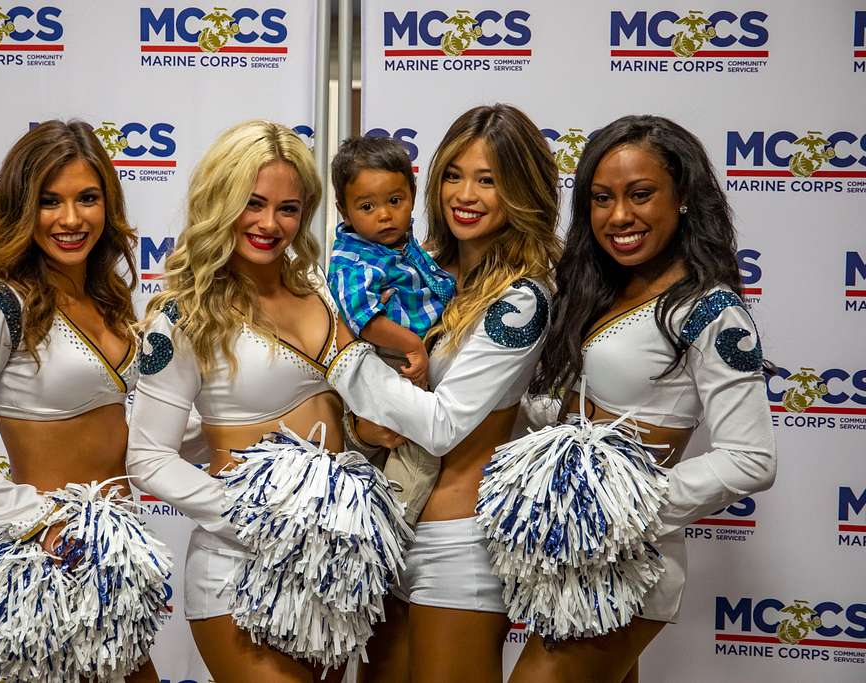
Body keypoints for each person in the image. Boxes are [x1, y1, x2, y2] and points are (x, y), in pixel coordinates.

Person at [126, 120, 406, 682]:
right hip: (240, 564)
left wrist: (363, 433)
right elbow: (147, 457)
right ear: (220, 201)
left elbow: (332, 410)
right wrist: (266, 522)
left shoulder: (323, 290)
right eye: (252, 203)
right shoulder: (182, 316)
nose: (269, 224)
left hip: (331, 567)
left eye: (288, 208)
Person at [515, 114, 777, 682]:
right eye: (602, 198)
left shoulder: (709, 308)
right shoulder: (589, 290)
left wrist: (613, 510)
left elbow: (752, 459)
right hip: (563, 564)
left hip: (629, 565)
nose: (619, 216)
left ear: (682, 196)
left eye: (641, 195)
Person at [0, 120, 166, 682]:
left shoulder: (108, 299)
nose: (71, 220)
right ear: (22, 209)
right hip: (52, 568)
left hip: (115, 571)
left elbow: (136, 433)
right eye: (50, 202)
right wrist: (41, 521)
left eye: (87, 199)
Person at [327, 103, 561, 682]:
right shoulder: (418, 268)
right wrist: (361, 427)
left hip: (459, 541)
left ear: (522, 192)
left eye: (489, 180)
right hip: (386, 531)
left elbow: (441, 424)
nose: (466, 194)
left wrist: (342, 358)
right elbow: (381, 402)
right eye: (454, 175)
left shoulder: (523, 299)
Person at [327, 135, 455, 387]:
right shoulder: (354, 261)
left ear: (413, 194)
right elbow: (364, 319)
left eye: (395, 201)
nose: (385, 215)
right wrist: (412, 345)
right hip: (392, 357)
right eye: (367, 207)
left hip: (430, 345)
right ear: (344, 211)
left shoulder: (399, 241)